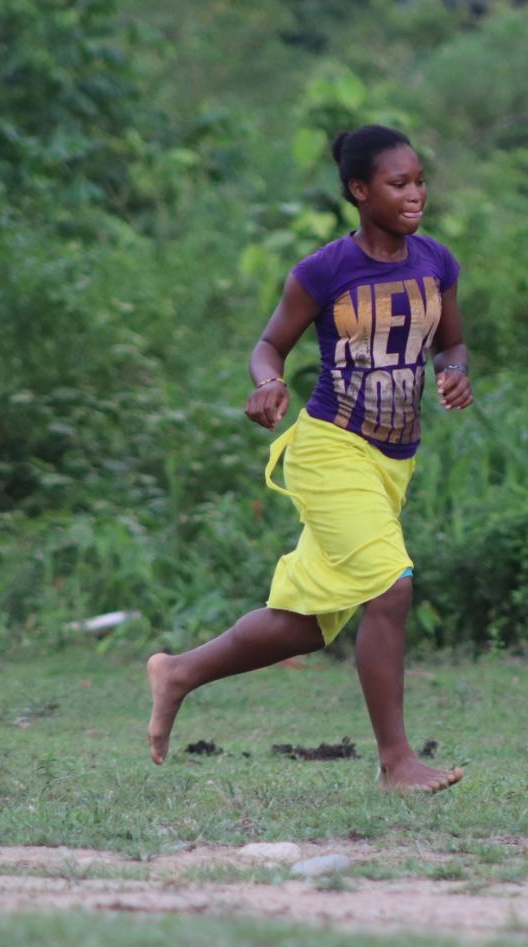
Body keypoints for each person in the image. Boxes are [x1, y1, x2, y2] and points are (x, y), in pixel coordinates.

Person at [146, 124, 471, 793]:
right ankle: (397, 763)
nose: (416, 194)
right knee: (391, 586)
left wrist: (455, 371)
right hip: (330, 449)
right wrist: (268, 382)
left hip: (393, 464)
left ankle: (177, 672)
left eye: (419, 181)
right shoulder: (325, 270)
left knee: (303, 626)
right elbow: (269, 345)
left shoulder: (436, 262)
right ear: (360, 190)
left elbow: (453, 343)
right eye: (398, 183)